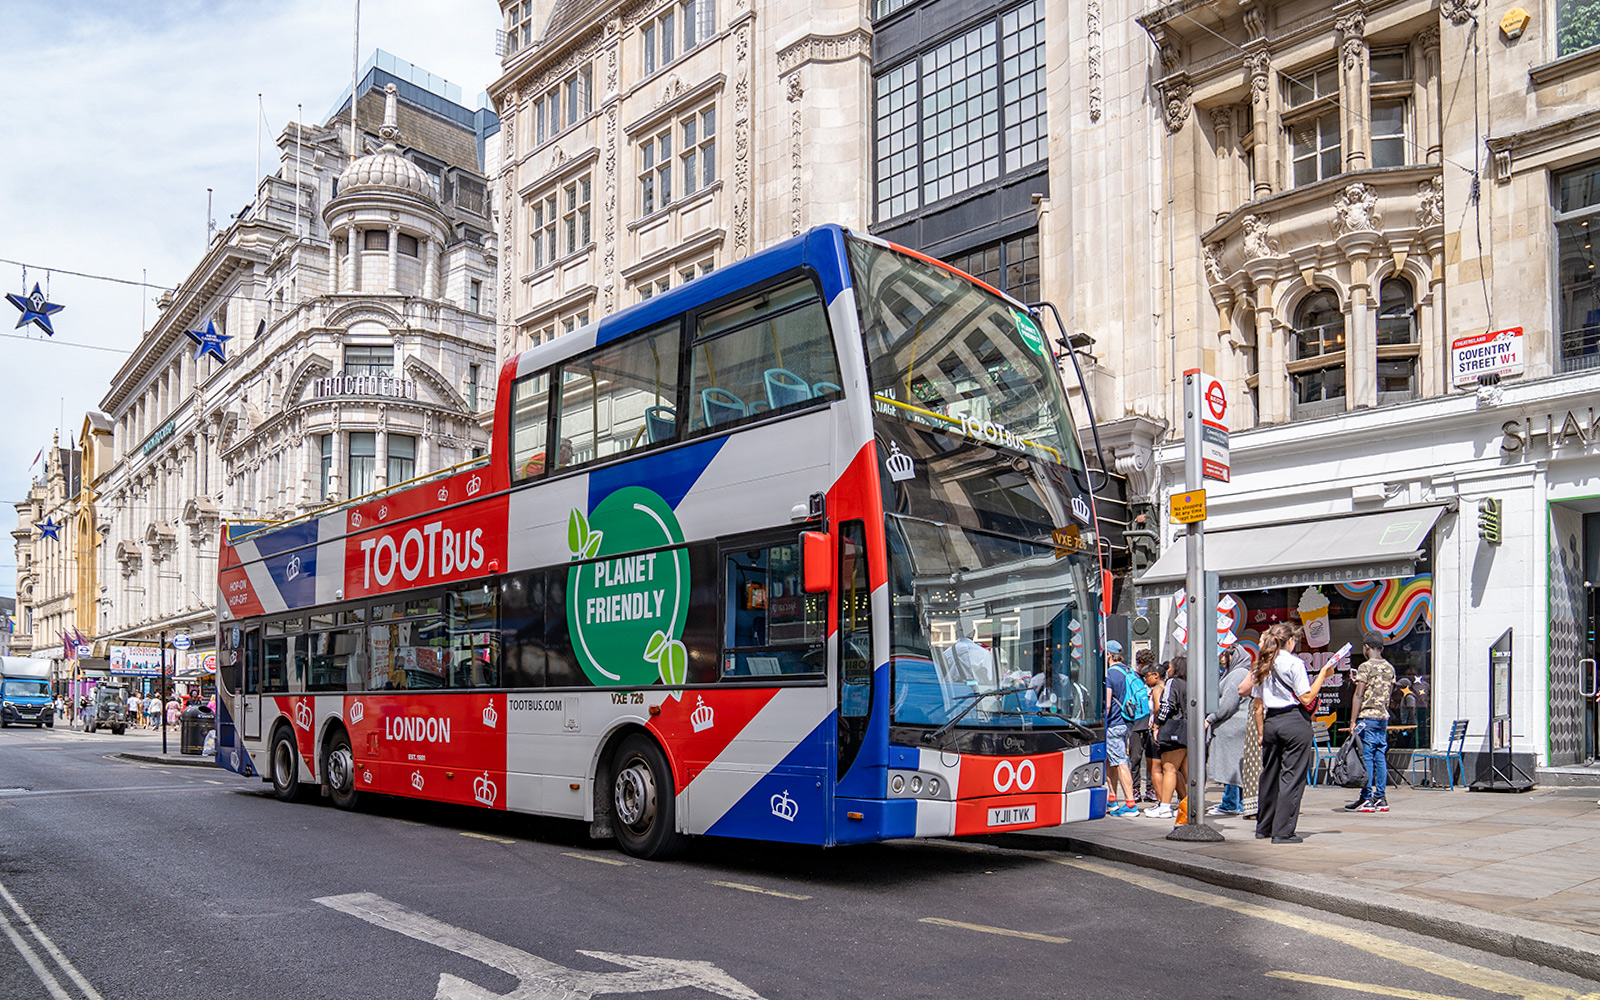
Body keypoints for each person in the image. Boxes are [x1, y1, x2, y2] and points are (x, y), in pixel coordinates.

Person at [1244, 622, 1340, 844]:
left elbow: (1258, 705)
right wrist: (1323, 676)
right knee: (1292, 778)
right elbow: (1306, 698)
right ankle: (1283, 831)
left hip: (1271, 722)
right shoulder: (1294, 663)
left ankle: (1264, 827)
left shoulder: (1262, 663)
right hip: (1293, 721)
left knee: (1269, 775)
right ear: (1289, 641)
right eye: (1294, 640)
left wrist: (1261, 732)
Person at [1346, 632, 1397, 813]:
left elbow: (1359, 694)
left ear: (1366, 647)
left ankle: (1366, 797)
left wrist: (1353, 721)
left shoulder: (1365, 667)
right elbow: (1389, 694)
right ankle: (1381, 797)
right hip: (1382, 717)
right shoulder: (1390, 668)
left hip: (1367, 717)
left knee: (1367, 756)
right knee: (1380, 756)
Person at [1102, 641, 1149, 816]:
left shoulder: (1110, 675)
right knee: (1111, 760)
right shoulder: (1129, 671)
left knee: (1120, 762)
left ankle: (1130, 804)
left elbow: (1107, 705)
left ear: (1108, 655)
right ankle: (1112, 800)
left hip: (1114, 724)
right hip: (1128, 722)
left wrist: (1102, 722)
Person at [1206, 645, 1254, 817]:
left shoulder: (1237, 674)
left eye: (1225, 656)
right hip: (1237, 726)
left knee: (1230, 766)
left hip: (1232, 728)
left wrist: (1210, 718)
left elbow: (1228, 703)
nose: (1222, 659)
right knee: (1235, 766)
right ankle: (1237, 803)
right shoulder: (1241, 673)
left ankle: (1230, 803)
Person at [1146, 656, 1189, 819]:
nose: (1168, 669)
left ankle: (1164, 806)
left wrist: (1156, 725)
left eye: (1170, 667)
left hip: (1173, 730)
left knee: (1169, 769)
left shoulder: (1173, 683)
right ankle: (1189, 803)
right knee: (1186, 770)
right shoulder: (1190, 683)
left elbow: (1166, 706)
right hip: (1188, 730)